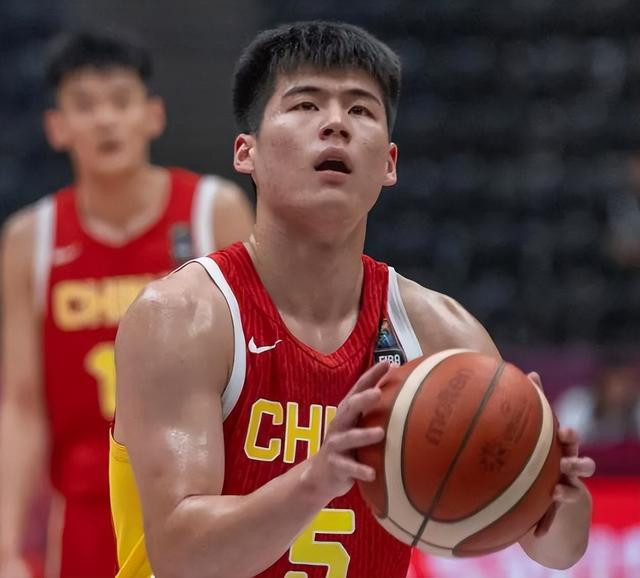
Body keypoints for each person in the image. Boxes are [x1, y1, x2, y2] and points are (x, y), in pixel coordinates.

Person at [110, 21, 595, 578]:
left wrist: (550, 483)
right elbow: (181, 558)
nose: (336, 123)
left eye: (361, 110)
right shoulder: (184, 318)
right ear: (247, 152)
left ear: (388, 163)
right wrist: (318, 478)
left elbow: (557, 551)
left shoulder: (441, 333)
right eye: (306, 105)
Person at [0, 30, 253, 578]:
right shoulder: (29, 240)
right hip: (83, 514)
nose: (106, 121)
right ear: (57, 127)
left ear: (153, 116)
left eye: (120, 101)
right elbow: (20, 405)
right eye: (85, 105)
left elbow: (257, 368)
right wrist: (6, 544)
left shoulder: (215, 212)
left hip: (198, 502)